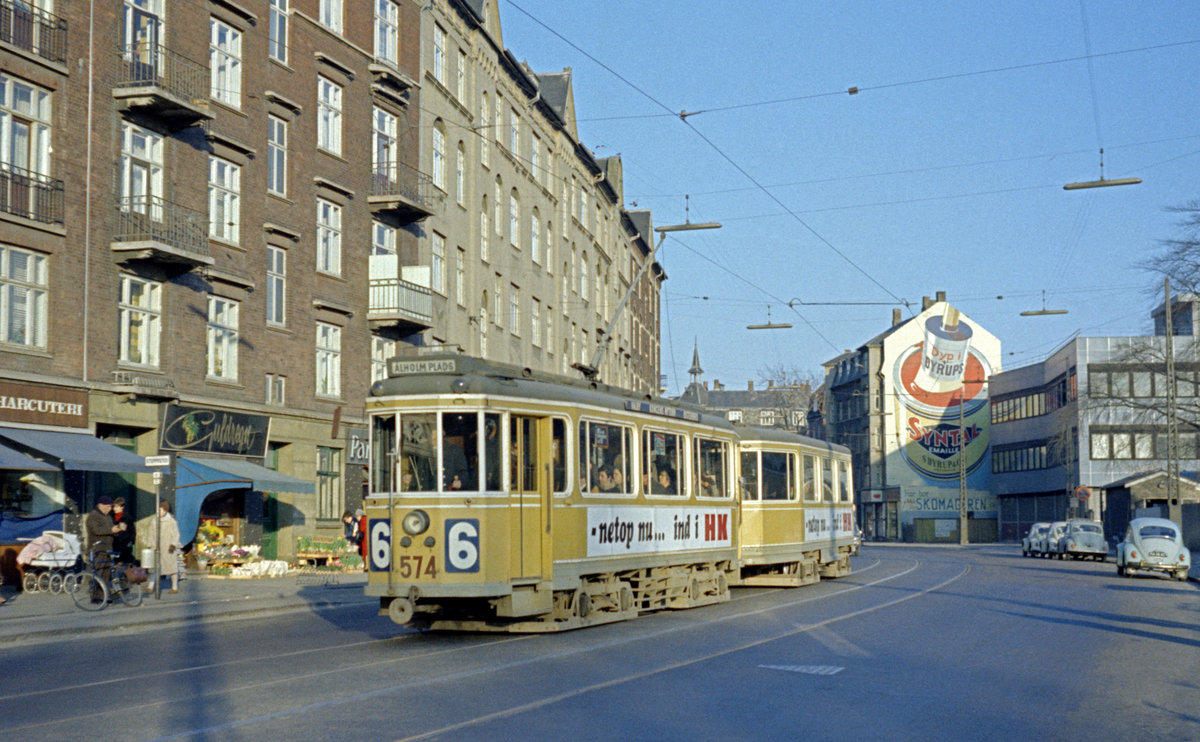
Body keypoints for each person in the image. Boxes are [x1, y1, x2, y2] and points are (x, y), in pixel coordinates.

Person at [85, 495, 125, 601]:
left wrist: (117, 530)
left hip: (107, 549)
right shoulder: (93, 516)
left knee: (106, 573)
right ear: (101, 505)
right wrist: (111, 530)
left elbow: (109, 530)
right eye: (108, 506)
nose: (110, 509)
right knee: (98, 573)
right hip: (97, 549)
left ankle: (104, 595)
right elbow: (96, 530)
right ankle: (95, 596)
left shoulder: (107, 516)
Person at [148, 500, 181, 594]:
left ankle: (174, 587)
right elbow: (150, 534)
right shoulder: (154, 521)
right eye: (158, 510)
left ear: (165, 511)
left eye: (161, 510)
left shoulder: (171, 521)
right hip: (156, 547)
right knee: (154, 567)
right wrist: (149, 545)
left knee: (172, 568)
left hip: (168, 548)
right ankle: (150, 586)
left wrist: (173, 545)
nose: (159, 512)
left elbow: (176, 534)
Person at [111, 496, 136, 564]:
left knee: (123, 563)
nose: (114, 509)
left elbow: (127, 529)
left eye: (116, 507)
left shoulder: (127, 517)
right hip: (115, 544)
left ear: (122, 507)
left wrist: (130, 542)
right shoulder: (112, 517)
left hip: (124, 544)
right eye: (113, 507)